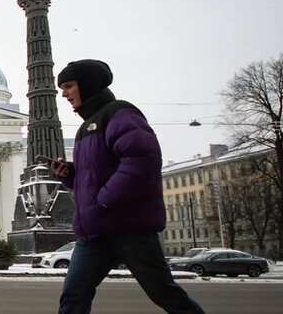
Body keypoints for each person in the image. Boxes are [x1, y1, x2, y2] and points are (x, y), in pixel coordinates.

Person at [48, 59, 206, 314]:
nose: (64, 94)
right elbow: (94, 177)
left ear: (87, 85)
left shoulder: (119, 114)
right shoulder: (86, 128)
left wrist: (103, 201)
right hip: (95, 232)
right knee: (74, 295)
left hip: (129, 228)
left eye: (68, 86)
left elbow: (142, 161)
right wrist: (70, 175)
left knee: (164, 293)